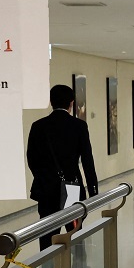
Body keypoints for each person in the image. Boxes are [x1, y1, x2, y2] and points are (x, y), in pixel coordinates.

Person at [26, 84, 98, 250]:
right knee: (74, 231)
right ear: (71, 103)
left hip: (46, 189)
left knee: (47, 232)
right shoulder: (79, 126)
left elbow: (32, 159)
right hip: (71, 187)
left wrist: (43, 178)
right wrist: (93, 190)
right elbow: (87, 160)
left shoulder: (38, 126)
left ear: (50, 101)